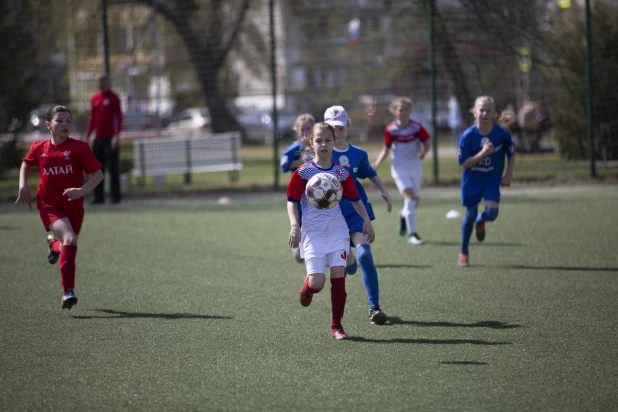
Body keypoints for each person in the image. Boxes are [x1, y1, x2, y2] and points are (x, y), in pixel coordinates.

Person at [287, 122, 375, 340]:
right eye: (319, 140)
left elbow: (356, 199)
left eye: (328, 140)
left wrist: (367, 221)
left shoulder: (341, 173)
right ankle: (308, 287)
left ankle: (337, 325)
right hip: (313, 233)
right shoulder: (303, 172)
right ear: (311, 143)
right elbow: (290, 201)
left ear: (334, 142)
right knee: (317, 283)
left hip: (337, 230)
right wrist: (294, 226)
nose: (323, 144)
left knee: (338, 276)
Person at [16, 105, 104, 309]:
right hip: (48, 205)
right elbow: (27, 164)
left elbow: (98, 174)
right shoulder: (39, 148)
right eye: (59, 121)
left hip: (74, 205)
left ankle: (53, 245)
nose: (65, 124)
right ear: (48, 125)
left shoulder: (79, 148)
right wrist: (22, 186)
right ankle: (68, 292)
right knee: (70, 239)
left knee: (66, 242)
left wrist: (81, 190)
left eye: (68, 121)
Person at [323, 105, 392, 325]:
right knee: (348, 266)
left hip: (355, 212)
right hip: (331, 215)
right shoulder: (322, 154)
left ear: (348, 126)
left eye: (341, 126)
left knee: (364, 255)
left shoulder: (358, 154)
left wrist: (384, 191)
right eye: (333, 128)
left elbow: (370, 173)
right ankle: (348, 261)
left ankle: (375, 308)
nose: (338, 131)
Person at [457, 96, 516, 267]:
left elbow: (512, 154)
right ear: (474, 112)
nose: (484, 113)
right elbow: (464, 163)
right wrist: (482, 153)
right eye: (481, 109)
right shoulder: (468, 136)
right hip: (472, 180)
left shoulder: (501, 134)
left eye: (488, 110)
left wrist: (508, 175)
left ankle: (481, 221)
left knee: (492, 213)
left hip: (491, 180)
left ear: (493, 113)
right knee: (470, 213)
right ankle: (463, 253)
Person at [373, 97, 431, 246]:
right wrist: (377, 163)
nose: (403, 112)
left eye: (406, 110)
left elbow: (427, 142)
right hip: (399, 168)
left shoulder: (417, 127)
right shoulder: (390, 129)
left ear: (410, 111)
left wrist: (424, 153)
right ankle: (413, 235)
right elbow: (386, 149)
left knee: (414, 202)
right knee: (410, 197)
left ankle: (403, 214)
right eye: (400, 110)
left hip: (416, 166)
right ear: (395, 111)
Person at [280, 113, 316, 263]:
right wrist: (298, 163)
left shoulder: (317, 145)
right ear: (296, 129)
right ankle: (298, 243)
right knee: (301, 217)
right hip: (300, 190)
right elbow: (284, 164)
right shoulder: (295, 148)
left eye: (309, 128)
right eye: (303, 128)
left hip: (316, 190)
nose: (305, 131)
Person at [86, 73, 123, 204]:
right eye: (99, 81)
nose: (101, 84)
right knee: (97, 169)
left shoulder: (113, 98)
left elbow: (118, 117)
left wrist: (116, 135)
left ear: (108, 82)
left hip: (110, 139)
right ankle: (98, 197)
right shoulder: (95, 98)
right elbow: (93, 119)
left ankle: (115, 197)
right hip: (98, 139)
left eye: (103, 81)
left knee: (113, 169)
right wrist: (88, 135)